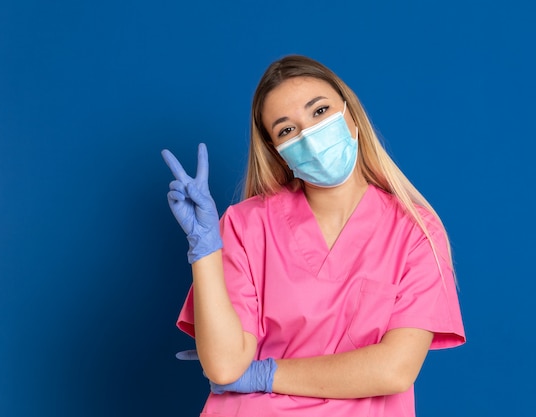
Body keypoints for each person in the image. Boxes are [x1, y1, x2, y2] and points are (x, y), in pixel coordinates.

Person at [161, 54, 465, 417]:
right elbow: (225, 367)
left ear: (350, 114)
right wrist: (205, 248)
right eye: (287, 129)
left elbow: (394, 369)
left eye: (319, 112)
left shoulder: (416, 231)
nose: (309, 135)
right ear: (278, 151)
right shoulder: (245, 225)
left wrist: (264, 374)